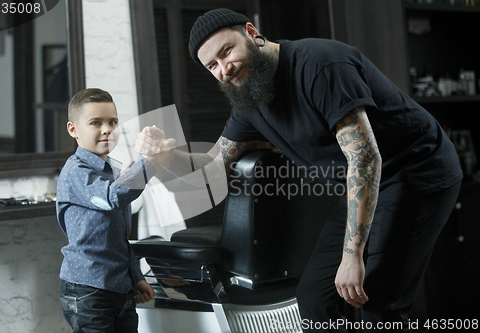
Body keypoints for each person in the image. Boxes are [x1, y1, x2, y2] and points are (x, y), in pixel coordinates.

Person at [134, 9, 463, 332]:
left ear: (252, 33)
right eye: (213, 66)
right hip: (360, 188)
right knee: (316, 300)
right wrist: (168, 158)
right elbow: (212, 168)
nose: (225, 68)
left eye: (226, 51)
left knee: (378, 304)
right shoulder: (248, 101)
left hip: (415, 174)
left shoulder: (320, 65)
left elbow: (365, 160)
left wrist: (352, 256)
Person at [57, 88, 174, 332]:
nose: (106, 129)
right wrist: (148, 161)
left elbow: (119, 238)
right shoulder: (75, 171)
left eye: (112, 122)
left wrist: (136, 277)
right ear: (73, 130)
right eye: (95, 123)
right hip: (88, 291)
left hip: (119, 287)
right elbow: (111, 198)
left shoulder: (114, 171)